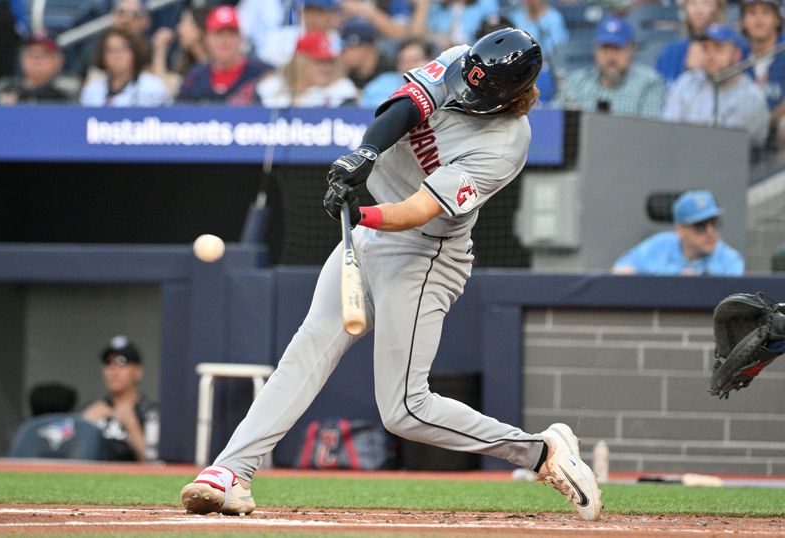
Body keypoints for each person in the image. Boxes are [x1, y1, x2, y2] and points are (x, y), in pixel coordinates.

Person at [180, 27, 602, 522]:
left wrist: (359, 216)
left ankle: (539, 452)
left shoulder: (506, 144)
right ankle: (232, 472)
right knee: (307, 349)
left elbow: (421, 209)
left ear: (508, 95)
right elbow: (400, 109)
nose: (464, 84)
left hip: (425, 256)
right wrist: (363, 157)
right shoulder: (459, 61)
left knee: (404, 408)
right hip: (373, 237)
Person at [663, 24, 770, 147]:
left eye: (718, 49)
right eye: (706, 48)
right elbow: (669, 132)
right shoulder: (687, 82)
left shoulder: (750, 96)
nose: (710, 56)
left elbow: (725, 146)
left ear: (736, 54)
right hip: (683, 159)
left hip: (734, 163)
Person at [612, 190, 744, 276]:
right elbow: (619, 272)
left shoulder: (730, 260)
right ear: (680, 230)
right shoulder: (658, 246)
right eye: (700, 226)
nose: (710, 232)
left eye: (714, 223)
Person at [563, 16, 665, 119]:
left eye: (617, 49)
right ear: (595, 50)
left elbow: (650, 131)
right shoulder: (576, 81)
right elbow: (554, 124)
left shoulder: (648, 82)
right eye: (605, 49)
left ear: (631, 49)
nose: (611, 57)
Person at [81, 335, 159, 461]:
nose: (113, 369)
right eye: (108, 362)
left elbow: (157, 464)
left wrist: (131, 425)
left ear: (138, 371)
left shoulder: (152, 413)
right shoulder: (91, 410)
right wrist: (83, 424)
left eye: (122, 362)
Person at [177, 4, 272, 104]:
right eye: (219, 34)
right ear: (207, 38)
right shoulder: (194, 77)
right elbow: (179, 112)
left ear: (241, 38)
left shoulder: (262, 73)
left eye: (231, 34)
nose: (225, 41)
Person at [256, 30, 358, 107]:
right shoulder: (271, 88)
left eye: (329, 62)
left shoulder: (342, 91)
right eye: (319, 62)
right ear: (300, 63)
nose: (327, 68)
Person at [79, 27, 171, 107]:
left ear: (134, 53)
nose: (117, 56)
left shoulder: (152, 87)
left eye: (123, 49)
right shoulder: (92, 91)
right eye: (111, 50)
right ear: (102, 56)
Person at [0, 32, 80, 104]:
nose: (36, 60)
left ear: (59, 60)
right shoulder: (5, 85)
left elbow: (63, 97)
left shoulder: (69, 85)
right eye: (31, 54)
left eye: (44, 54)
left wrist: (20, 98)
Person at [740, 0, 785, 145]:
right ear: (743, 22)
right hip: (744, 131)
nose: (759, 19)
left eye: (765, 13)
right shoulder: (735, 56)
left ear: (777, 20)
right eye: (752, 13)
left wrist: (766, 121)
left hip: (776, 127)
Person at [656, 0, 727, 88]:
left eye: (706, 3)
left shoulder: (731, 48)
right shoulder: (669, 53)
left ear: (718, 8)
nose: (698, 10)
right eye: (693, 2)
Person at [150, 6, 210, 98]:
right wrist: (160, 50)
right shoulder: (186, 65)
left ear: (199, 27)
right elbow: (163, 88)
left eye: (184, 22)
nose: (178, 28)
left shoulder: (219, 61)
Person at [360, 38, 433, 108]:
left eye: (415, 60)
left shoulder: (439, 88)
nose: (408, 66)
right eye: (404, 61)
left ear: (429, 61)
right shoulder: (383, 82)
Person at [339, 16, 390, 91]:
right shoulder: (349, 75)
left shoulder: (390, 70)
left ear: (365, 48)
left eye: (348, 49)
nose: (343, 54)